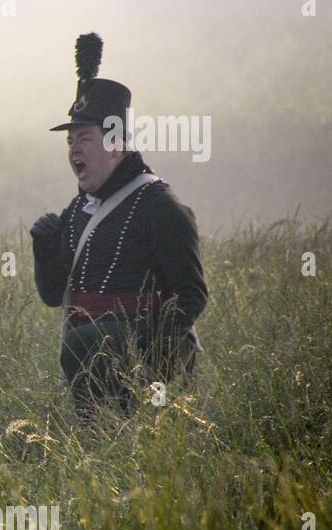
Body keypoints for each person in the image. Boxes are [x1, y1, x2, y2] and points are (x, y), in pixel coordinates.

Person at [30, 33, 208, 420]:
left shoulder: (160, 206)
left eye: (85, 139)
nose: (74, 149)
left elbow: (192, 296)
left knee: (84, 342)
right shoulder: (78, 209)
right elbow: (54, 296)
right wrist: (44, 253)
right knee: (83, 344)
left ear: (115, 144)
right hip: (93, 362)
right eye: (70, 141)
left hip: (153, 368)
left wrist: (145, 356)